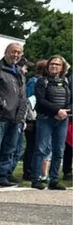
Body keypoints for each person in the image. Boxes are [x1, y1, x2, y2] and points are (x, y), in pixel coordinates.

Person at [0, 43, 28, 187]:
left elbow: (22, 94)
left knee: (10, 149)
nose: (16, 55)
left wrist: (22, 113)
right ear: (6, 52)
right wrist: (0, 102)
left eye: (19, 52)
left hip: (16, 117)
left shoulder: (20, 72)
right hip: (0, 115)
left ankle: (2, 176)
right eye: (13, 52)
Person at [31, 55, 72, 190]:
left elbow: (71, 99)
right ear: (48, 66)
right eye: (52, 64)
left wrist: (66, 112)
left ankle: (54, 179)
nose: (54, 66)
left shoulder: (66, 82)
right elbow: (41, 100)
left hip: (63, 119)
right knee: (41, 149)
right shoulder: (42, 81)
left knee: (59, 150)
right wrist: (56, 111)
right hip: (45, 119)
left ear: (62, 68)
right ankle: (36, 178)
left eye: (57, 64)